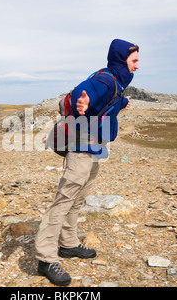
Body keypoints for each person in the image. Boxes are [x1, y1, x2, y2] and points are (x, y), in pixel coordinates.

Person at [35, 39, 139, 286]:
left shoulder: (116, 82)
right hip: (81, 144)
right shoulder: (104, 80)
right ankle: (45, 258)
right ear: (121, 60)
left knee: (79, 196)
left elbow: (108, 98)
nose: (137, 66)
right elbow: (88, 90)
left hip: (94, 144)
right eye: (134, 60)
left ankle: (68, 243)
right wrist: (84, 101)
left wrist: (122, 102)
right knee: (65, 198)